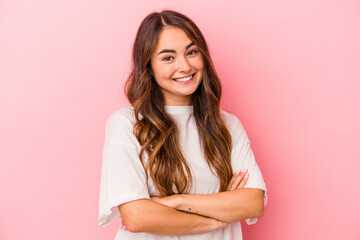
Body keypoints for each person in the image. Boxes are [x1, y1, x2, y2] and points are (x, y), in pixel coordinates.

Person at [98, 9, 267, 240]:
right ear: (148, 67)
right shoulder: (127, 124)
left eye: (192, 52)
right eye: (168, 57)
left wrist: (177, 201)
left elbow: (253, 203)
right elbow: (137, 217)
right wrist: (221, 210)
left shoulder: (227, 125)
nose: (185, 66)